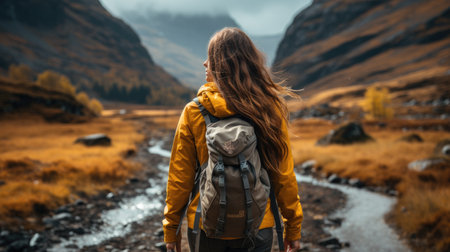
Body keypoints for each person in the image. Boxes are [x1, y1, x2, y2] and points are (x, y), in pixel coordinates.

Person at [163, 27, 303, 252]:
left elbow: (179, 179)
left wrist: (171, 229)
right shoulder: (268, 109)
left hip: (205, 225)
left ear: (220, 63)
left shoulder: (194, 111)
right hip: (258, 224)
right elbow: (283, 175)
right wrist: (293, 227)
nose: (204, 64)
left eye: (210, 57)